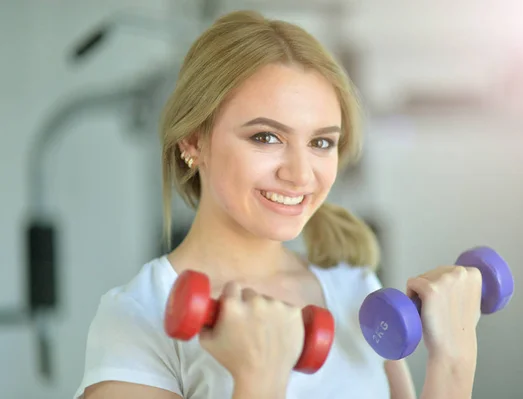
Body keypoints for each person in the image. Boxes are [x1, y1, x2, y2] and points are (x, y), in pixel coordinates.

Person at [74, 10, 483, 399]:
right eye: (266, 137)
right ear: (194, 141)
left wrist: (454, 361)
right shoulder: (137, 317)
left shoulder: (357, 290)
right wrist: (259, 378)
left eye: (321, 142)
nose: (301, 175)